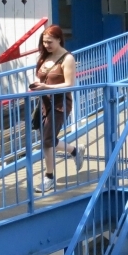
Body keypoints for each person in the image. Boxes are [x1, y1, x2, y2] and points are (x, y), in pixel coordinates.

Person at [30, 25, 83, 194]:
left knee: (47, 139)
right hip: (44, 102)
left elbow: (69, 84)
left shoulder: (67, 58)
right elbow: (42, 76)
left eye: (50, 42)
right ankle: (75, 150)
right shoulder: (44, 57)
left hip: (60, 103)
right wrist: (40, 86)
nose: (47, 45)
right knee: (47, 138)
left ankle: (49, 177)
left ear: (59, 39)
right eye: (44, 42)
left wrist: (45, 86)